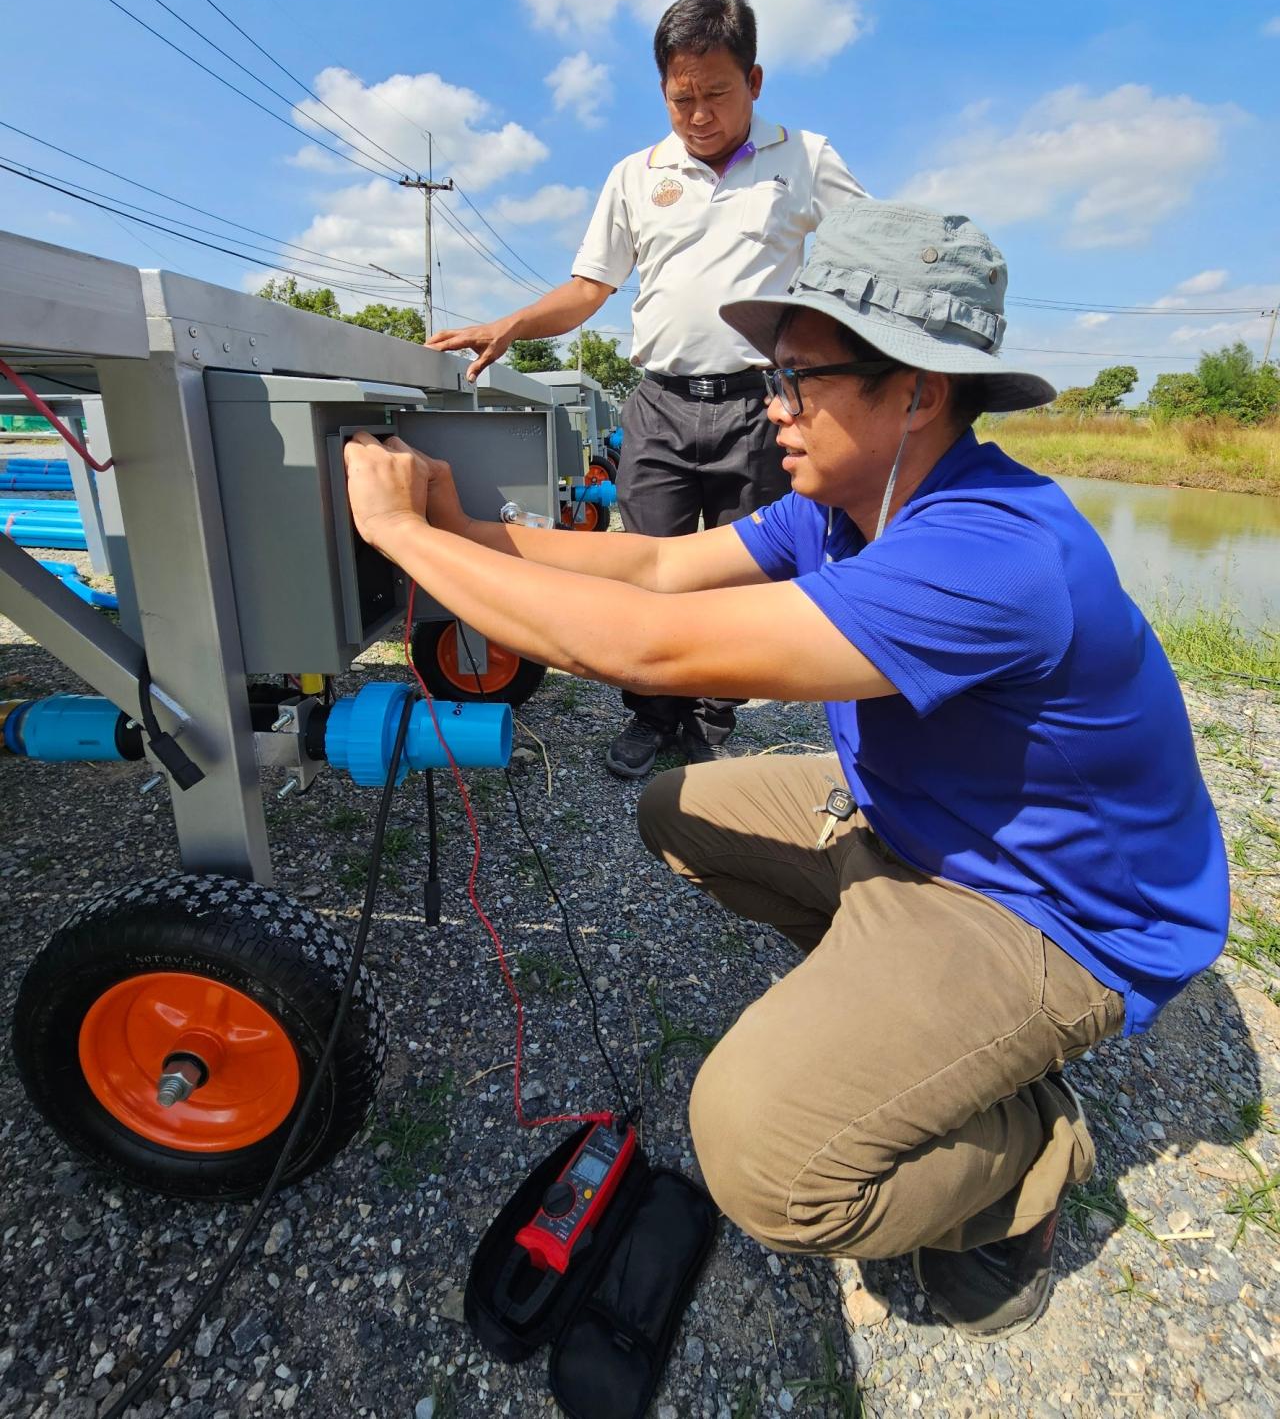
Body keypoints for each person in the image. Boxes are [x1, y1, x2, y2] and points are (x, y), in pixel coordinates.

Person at [345, 199, 1227, 1340]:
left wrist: (402, 540)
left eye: (802, 378)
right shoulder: (845, 505)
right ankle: (908, 1020)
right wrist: (462, 525)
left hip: (1051, 911)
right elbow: (658, 566)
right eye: (774, 374)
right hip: (918, 830)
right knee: (676, 806)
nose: (774, 406)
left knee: (763, 1158)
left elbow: (644, 647)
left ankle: (1028, 1153)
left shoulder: (987, 552)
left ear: (918, 387)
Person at [425, 0, 866, 777]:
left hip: (760, 404)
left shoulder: (807, 160)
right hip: (659, 404)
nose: (698, 115)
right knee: (649, 565)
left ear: (755, 81)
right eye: (680, 99)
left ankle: (711, 716)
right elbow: (589, 288)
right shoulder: (636, 174)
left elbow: (871, 259)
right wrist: (509, 325)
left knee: (743, 575)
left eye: (716, 95)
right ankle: (652, 716)